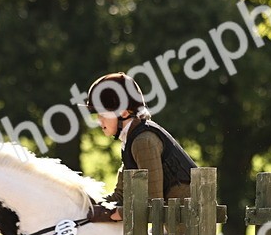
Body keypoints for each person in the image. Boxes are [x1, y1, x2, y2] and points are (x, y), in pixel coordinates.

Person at [82, 72, 197, 222]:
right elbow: (120, 196)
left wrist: (112, 214)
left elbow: (154, 202)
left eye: (103, 114)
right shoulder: (131, 139)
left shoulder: (143, 142)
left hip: (185, 229)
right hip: (171, 225)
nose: (99, 121)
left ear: (123, 112)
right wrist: (86, 204)